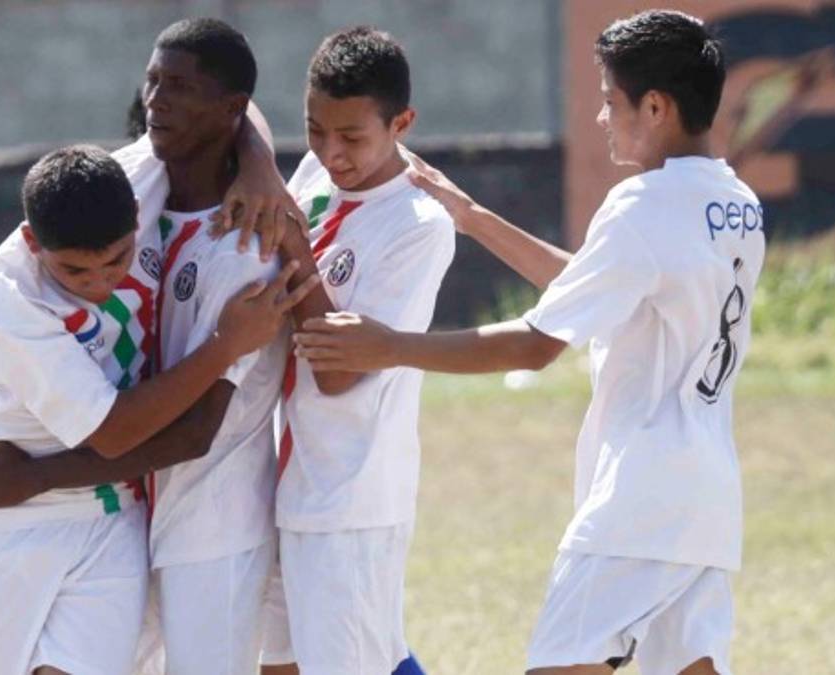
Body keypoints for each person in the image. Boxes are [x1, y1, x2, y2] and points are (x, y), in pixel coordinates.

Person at [293, 10, 764, 675]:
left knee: (559, 665)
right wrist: (474, 218)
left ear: (655, 106)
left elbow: (535, 345)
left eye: (611, 101)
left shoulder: (642, 204)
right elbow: (597, 286)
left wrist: (391, 345)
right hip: (708, 490)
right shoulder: (736, 202)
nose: (602, 117)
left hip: (640, 493)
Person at [0, 19, 319, 675]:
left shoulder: (201, 219)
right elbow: (114, 431)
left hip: (153, 515)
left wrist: (261, 164)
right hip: (14, 509)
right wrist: (32, 480)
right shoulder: (13, 296)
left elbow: (235, 97)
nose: (99, 281)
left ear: (136, 221)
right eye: (152, 82)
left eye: (116, 260)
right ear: (33, 243)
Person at [257, 26, 455, 675]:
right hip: (286, 477)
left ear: (401, 123)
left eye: (351, 137)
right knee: (280, 662)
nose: (331, 152)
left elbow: (339, 372)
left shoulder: (417, 226)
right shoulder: (317, 171)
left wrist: (293, 245)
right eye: (315, 130)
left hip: (351, 495)